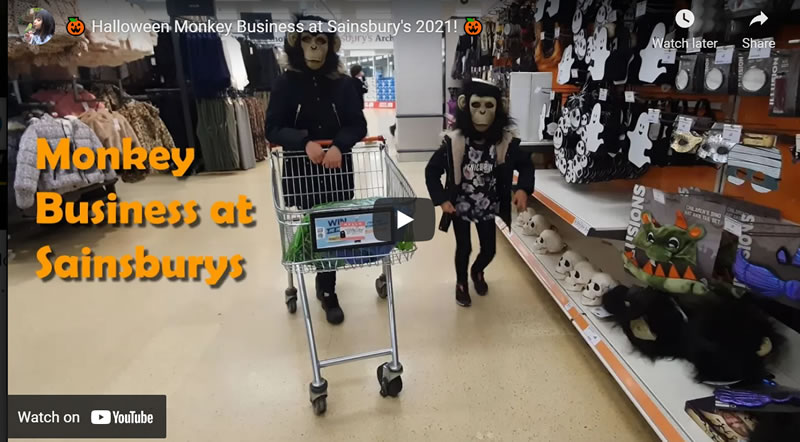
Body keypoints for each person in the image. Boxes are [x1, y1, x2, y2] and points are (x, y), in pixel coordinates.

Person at [266, 15, 367, 325]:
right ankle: (319, 278)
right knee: (314, 227)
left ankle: (327, 290)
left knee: (331, 230)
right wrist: (303, 142)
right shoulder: (285, 83)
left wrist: (339, 145)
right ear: (296, 44)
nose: (313, 47)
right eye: (307, 40)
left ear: (330, 46)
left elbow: (358, 124)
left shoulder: (344, 84)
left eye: (321, 40)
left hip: (336, 171)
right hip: (302, 172)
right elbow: (272, 128)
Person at [426, 79, 535, 307]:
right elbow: (432, 171)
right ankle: (461, 284)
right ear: (465, 105)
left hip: (487, 206)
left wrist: (523, 189)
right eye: (476, 105)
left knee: (489, 250)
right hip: (460, 206)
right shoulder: (455, 142)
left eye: (489, 106)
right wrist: (442, 200)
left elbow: (526, 164)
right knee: (463, 248)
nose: (482, 112)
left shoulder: (504, 142)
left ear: (499, 107)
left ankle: (477, 271)